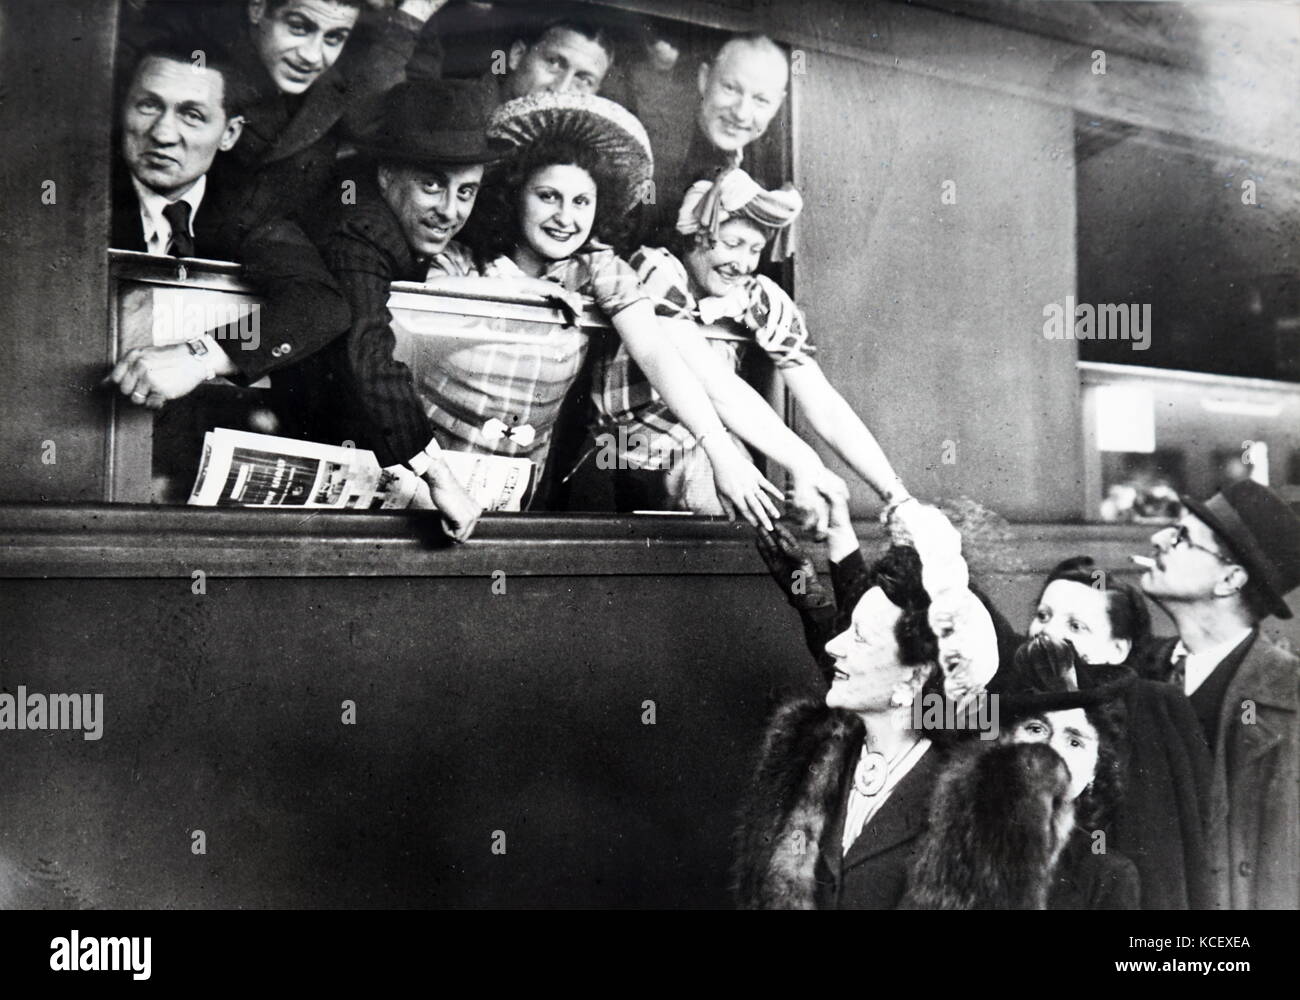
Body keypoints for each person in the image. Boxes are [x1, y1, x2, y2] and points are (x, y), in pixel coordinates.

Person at [423, 92, 783, 528]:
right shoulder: (462, 261)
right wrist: (526, 292)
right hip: (428, 480)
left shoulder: (597, 269)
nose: (565, 217)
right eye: (548, 196)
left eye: (581, 202)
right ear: (515, 196)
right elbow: (432, 302)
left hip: (515, 493)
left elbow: (655, 352)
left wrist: (719, 450)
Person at [593, 167, 910, 526]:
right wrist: (804, 462)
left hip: (711, 445)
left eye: (755, 249)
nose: (741, 263)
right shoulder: (657, 268)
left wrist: (897, 497)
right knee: (724, 493)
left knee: (795, 507)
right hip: (628, 452)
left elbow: (824, 403)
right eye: (731, 244)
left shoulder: (756, 297)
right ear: (695, 235)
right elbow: (713, 385)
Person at [266, 78, 504, 542]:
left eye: (467, 191)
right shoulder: (363, 229)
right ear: (386, 175)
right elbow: (368, 355)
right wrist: (439, 477)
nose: (449, 211)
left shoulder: (392, 222)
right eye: (432, 185)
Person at [736, 500, 1004, 908]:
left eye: (858, 637)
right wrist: (806, 583)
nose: (833, 645)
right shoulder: (807, 754)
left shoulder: (970, 801)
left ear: (914, 677)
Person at [107, 43, 350, 411]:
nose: (163, 134)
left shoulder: (244, 203)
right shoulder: (84, 200)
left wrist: (201, 354)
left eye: (191, 115)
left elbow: (319, 303)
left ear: (229, 134)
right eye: (148, 106)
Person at [120, 0, 447, 252]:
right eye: (299, 27)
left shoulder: (332, 89)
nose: (311, 55)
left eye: (333, 38)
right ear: (258, 8)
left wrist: (407, 18)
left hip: (271, 281)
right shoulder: (201, 69)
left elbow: (384, 120)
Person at [1135, 480, 1300, 909]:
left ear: (1230, 579)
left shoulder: (1292, 702)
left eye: (1183, 537)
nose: (1158, 538)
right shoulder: (1140, 669)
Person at [1027, 556, 1213, 909]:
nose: (1047, 632)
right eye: (1043, 615)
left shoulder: (1155, 708)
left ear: (1118, 649)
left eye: (1076, 626)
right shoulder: (1010, 704)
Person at [909, 635, 1141, 909]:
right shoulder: (944, 833)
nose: (1052, 752)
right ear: (1006, 739)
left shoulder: (1108, 877)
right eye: (1036, 729)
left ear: (1096, 768)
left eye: (1075, 741)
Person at [643, 33, 789, 241]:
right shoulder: (658, 143)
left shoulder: (767, 162)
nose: (741, 113)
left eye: (761, 100)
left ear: (777, 106)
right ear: (704, 79)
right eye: (730, 88)